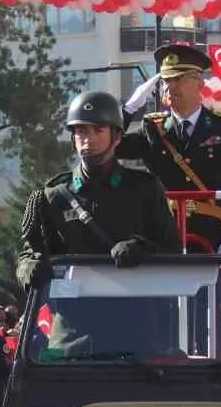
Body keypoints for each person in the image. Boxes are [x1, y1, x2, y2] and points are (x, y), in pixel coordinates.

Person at [17, 89, 181, 290]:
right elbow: (30, 253)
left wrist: (142, 249)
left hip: (134, 305)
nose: (89, 138)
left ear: (117, 137)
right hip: (74, 310)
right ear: (73, 138)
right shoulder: (52, 196)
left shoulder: (144, 188)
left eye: (99, 129)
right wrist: (27, 268)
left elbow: (171, 249)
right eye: (82, 130)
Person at [121, 43, 221, 254]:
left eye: (178, 79)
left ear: (199, 82)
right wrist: (128, 111)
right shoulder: (153, 128)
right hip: (163, 238)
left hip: (210, 241)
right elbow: (110, 147)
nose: (170, 87)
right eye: (166, 80)